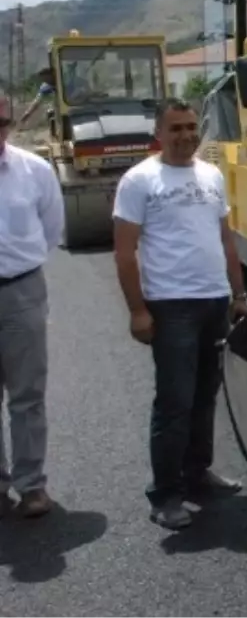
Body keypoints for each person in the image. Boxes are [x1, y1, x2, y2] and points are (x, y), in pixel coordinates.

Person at [112, 97, 247, 531]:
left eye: (191, 126)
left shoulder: (210, 175)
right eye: (176, 128)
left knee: (206, 394)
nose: (186, 135)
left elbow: (225, 241)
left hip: (214, 302)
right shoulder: (139, 180)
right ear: (159, 133)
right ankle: (166, 495)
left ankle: (197, 474)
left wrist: (239, 293)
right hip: (171, 307)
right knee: (174, 402)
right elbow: (124, 253)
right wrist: (138, 311)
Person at [0, 98, 65, 519]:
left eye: (1, 121)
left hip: (20, 293)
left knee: (27, 395)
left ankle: (31, 485)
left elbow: (52, 228)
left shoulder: (35, 170)